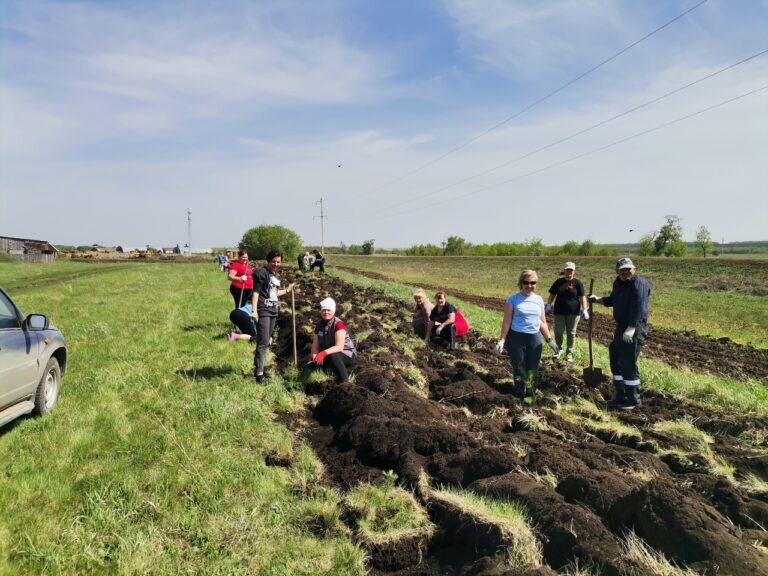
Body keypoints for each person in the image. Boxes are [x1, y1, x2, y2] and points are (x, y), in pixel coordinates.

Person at [588, 257, 651, 410]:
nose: (625, 272)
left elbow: (639, 307)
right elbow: (613, 300)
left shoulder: (638, 284)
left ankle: (633, 400)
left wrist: (632, 327)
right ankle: (621, 395)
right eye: (622, 269)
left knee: (628, 362)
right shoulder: (618, 283)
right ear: (617, 271)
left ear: (634, 269)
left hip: (634, 327)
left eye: (628, 269)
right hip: (622, 326)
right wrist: (597, 300)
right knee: (616, 358)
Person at [495, 270, 559, 400]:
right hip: (516, 338)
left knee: (532, 368)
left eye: (533, 283)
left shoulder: (539, 300)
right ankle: (519, 394)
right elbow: (507, 322)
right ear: (521, 283)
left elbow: (542, 322)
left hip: (534, 338)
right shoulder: (513, 300)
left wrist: (550, 340)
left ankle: (530, 396)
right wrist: (502, 340)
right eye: (526, 282)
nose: (529, 286)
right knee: (519, 368)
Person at [251, 250, 294, 382]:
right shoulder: (261, 273)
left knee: (268, 340)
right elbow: (256, 293)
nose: (276, 264)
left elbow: (273, 293)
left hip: (273, 310)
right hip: (264, 309)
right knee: (263, 342)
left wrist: (287, 290)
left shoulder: (275, 275)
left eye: (278, 261)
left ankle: (259, 367)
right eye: (273, 261)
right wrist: (254, 311)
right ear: (268, 261)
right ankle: (259, 373)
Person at [546, 261, 589, 362]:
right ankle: (558, 350)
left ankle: (569, 352)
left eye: (571, 270)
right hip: (559, 312)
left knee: (571, 332)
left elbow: (582, 297)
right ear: (564, 271)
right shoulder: (558, 282)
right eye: (567, 270)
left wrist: (585, 309)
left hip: (574, 313)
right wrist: (548, 305)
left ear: (574, 271)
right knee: (558, 331)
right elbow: (552, 294)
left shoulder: (578, 283)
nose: (569, 272)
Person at [310, 297, 357, 383]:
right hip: (329, 352)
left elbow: (339, 347)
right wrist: (315, 355)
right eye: (324, 310)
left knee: (333, 356)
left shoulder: (338, 324)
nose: (326, 312)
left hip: (346, 354)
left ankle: (345, 382)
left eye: (329, 310)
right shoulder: (319, 325)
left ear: (333, 311)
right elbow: (315, 345)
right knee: (314, 364)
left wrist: (323, 353)